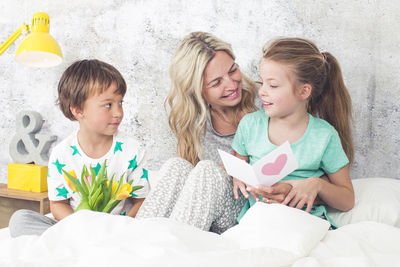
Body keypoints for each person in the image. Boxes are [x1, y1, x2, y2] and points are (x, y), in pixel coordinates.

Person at [136, 32, 292, 234]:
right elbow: (192, 186)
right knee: (177, 166)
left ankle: (175, 248)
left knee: (209, 170)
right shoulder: (196, 121)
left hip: (250, 205)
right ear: (197, 90)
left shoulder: (266, 99)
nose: (231, 84)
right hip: (209, 209)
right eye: (216, 83)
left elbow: (300, 157)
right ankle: (137, 241)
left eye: (233, 70)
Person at [9, 59, 149, 237]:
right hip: (76, 229)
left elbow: (141, 201)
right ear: (78, 110)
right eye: (108, 105)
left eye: (120, 103)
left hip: (117, 232)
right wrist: (82, 230)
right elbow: (58, 204)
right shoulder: (62, 153)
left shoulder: (133, 150)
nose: (118, 112)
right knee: (20, 219)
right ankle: (80, 245)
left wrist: (121, 232)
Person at [232, 37, 355, 227]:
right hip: (257, 222)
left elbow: (347, 200)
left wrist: (317, 184)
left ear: (303, 92)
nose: (262, 92)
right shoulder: (250, 125)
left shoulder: (324, 136)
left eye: (272, 85)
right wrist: (237, 175)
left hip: (303, 223)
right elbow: (238, 161)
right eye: (261, 82)